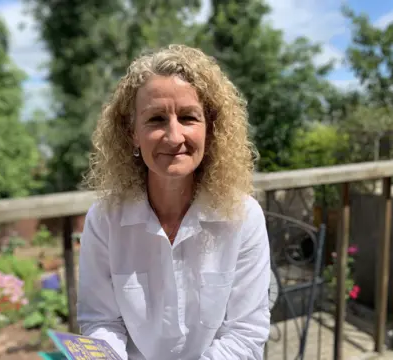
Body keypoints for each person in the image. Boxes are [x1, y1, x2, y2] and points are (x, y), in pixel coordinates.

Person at [77, 44, 271, 360]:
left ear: (212, 128)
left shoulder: (243, 216)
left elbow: (245, 336)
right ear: (132, 133)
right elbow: (100, 321)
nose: (174, 136)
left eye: (188, 117)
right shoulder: (104, 219)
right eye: (155, 119)